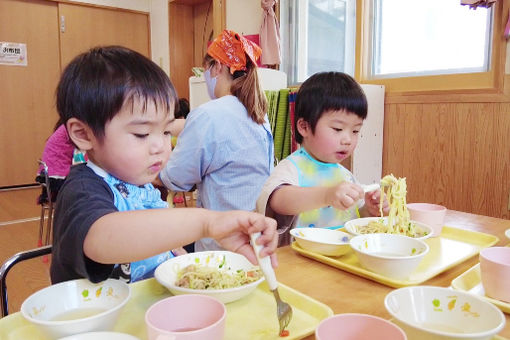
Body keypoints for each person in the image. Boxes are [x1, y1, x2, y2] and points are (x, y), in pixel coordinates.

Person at [50, 46, 278, 284]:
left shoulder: (141, 185)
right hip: (100, 318)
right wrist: (207, 223)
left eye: (166, 131)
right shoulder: (84, 189)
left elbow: (159, 235)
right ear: (84, 135)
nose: (161, 145)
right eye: (141, 134)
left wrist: (177, 251)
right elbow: (101, 238)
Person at [159, 30, 275, 252]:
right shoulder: (258, 112)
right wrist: (169, 126)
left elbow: (175, 178)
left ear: (218, 67)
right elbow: (218, 132)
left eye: (206, 69)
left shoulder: (208, 114)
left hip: (222, 243)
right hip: (256, 235)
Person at [256, 72, 389, 246]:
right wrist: (327, 195)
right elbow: (278, 200)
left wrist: (369, 210)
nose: (348, 139)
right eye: (337, 128)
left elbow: (351, 217)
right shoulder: (292, 167)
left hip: (340, 257)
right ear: (304, 127)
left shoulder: (345, 175)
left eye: (355, 131)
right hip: (302, 261)